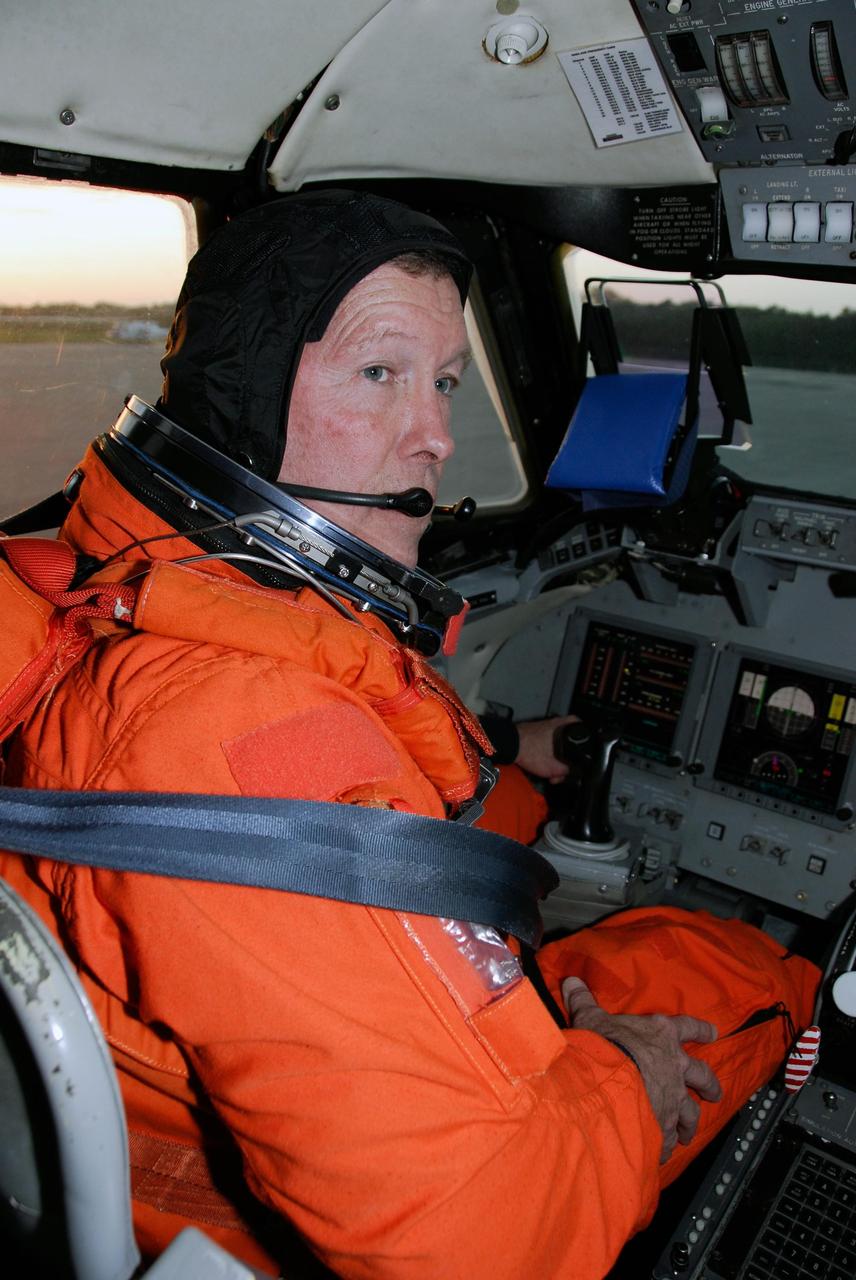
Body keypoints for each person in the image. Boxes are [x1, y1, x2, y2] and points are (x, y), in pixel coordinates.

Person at [0, 190, 818, 1280]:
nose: (434, 434)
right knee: (721, 965)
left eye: (442, 381)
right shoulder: (238, 732)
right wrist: (627, 1078)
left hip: (137, 1156)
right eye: (379, 374)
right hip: (242, 1225)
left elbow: (357, 807)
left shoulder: (124, 592)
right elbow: (478, 1241)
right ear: (243, 399)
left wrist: (497, 741)